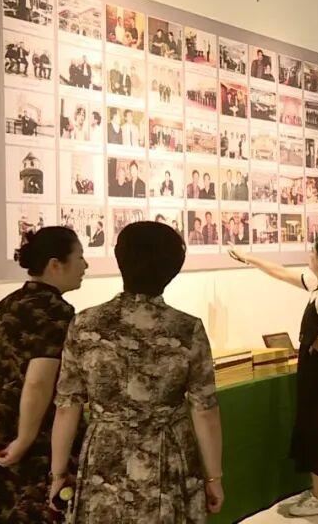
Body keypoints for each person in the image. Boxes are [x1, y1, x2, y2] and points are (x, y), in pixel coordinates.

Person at [48, 222, 223, 522]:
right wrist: (213, 477)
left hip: (105, 454)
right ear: (172, 268)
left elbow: (67, 406)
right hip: (167, 455)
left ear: (121, 261)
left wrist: (58, 474)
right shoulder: (186, 329)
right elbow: (204, 410)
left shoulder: (85, 324)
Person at [0, 228, 88, 523]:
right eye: (79, 257)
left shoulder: (8, 303)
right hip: (37, 437)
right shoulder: (56, 311)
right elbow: (38, 381)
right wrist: (24, 439)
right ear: (55, 264)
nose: (85, 265)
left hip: (2, 425)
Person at [229, 237, 318, 516]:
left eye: (312, 251)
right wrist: (248, 258)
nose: (309, 254)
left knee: (317, 424)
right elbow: (281, 272)